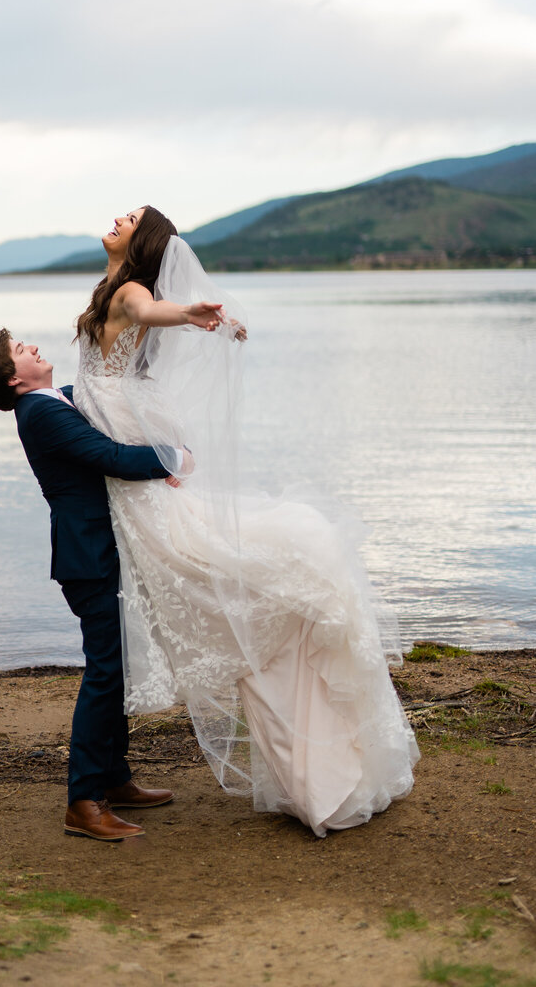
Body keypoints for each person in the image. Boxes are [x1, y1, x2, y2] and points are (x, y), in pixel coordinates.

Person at [72, 205, 419, 837]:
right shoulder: (109, 287)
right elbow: (107, 371)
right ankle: (315, 767)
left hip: (144, 488)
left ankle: (320, 769)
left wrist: (190, 315)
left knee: (237, 609)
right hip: (136, 478)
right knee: (237, 617)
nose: (117, 217)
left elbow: (149, 312)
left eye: (130, 217)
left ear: (142, 240)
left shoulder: (130, 291)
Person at [0, 327, 198, 841]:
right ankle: (83, 802)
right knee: (105, 673)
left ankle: (114, 779)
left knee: (119, 666)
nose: (31, 347)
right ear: (13, 378)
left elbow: (109, 398)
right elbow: (110, 457)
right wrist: (175, 459)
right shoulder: (41, 413)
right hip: (88, 557)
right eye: (19, 350)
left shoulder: (59, 398)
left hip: (103, 550)